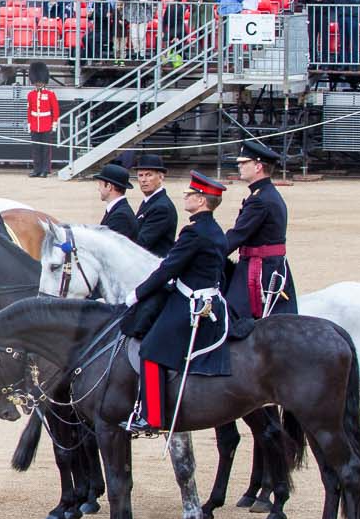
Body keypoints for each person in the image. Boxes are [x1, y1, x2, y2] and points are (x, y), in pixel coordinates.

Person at [122, 171, 238, 435]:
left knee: (150, 350)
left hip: (191, 303)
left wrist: (137, 294)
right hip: (210, 299)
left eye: (190, 194)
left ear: (201, 200)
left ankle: (152, 416)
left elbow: (167, 269)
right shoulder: (213, 229)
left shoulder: (194, 232)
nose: (185, 196)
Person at [223, 141, 297, 317]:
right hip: (270, 266)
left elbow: (237, 236)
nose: (239, 165)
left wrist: (208, 252)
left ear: (257, 166)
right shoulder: (266, 194)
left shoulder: (260, 199)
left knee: (232, 317)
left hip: (259, 271)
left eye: (244, 162)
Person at [131, 155, 177, 255]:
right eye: (140, 175)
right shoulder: (150, 201)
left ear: (161, 177)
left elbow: (142, 243)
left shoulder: (161, 207)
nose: (143, 180)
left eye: (148, 175)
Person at [24, 61, 59, 177]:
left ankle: (45, 170)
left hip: (46, 124)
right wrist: (29, 124)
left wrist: (54, 123)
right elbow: (29, 110)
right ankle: (37, 169)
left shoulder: (50, 94)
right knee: (36, 149)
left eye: (39, 81)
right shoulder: (30, 94)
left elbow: (55, 110)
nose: (38, 83)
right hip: (35, 124)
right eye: (37, 82)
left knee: (45, 149)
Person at [97, 161, 136, 239]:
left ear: (109, 186)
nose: (98, 189)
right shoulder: (117, 210)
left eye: (100, 184)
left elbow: (107, 246)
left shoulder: (121, 216)